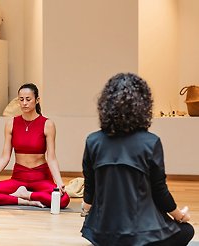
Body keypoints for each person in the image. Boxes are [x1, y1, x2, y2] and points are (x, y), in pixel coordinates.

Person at [81, 73, 195, 245]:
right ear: (143, 106)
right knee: (187, 230)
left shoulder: (93, 141)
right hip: (141, 234)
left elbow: (90, 187)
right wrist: (180, 215)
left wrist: (87, 210)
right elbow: (159, 191)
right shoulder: (150, 142)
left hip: (102, 234)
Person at [0, 83, 70, 208]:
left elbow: (51, 158)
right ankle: (23, 199)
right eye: (21, 99)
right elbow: (4, 157)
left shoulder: (48, 124)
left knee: (63, 200)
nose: (24, 103)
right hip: (18, 178)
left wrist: (59, 183)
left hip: (40, 178)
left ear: (37, 100)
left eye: (28, 99)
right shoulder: (11, 123)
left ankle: (28, 195)